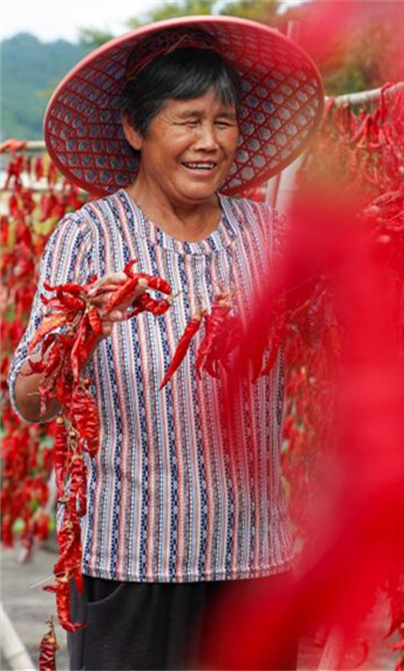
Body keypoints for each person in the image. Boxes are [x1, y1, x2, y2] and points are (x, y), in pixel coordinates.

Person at [8, 16, 323, 670]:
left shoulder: (270, 237)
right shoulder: (87, 239)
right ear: (134, 129)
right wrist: (79, 333)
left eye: (224, 121)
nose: (209, 141)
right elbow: (28, 401)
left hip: (252, 564)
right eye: (188, 120)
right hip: (129, 566)